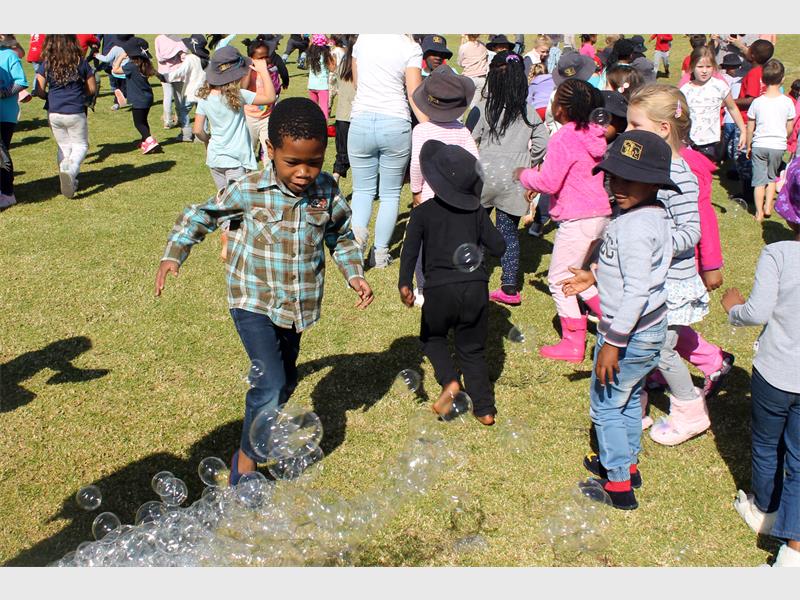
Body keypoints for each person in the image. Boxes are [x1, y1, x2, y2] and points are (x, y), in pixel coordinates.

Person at [155, 97, 374, 485]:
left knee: (284, 382)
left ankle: (255, 432)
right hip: (252, 299)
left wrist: (353, 273)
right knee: (270, 383)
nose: (304, 172)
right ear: (270, 149)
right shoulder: (249, 189)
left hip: (297, 307)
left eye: (314, 162)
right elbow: (201, 215)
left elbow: (340, 236)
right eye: (293, 162)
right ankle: (246, 463)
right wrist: (174, 253)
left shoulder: (327, 191)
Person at [562, 130, 677, 509]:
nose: (618, 186)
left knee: (607, 405)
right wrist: (593, 276)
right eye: (614, 177)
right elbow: (631, 269)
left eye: (631, 179)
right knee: (626, 400)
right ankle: (628, 465)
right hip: (649, 331)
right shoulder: (651, 215)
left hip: (628, 334)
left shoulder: (634, 228)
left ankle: (617, 485)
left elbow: (637, 292)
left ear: (655, 183)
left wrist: (612, 343)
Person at [626, 84, 711, 446]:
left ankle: (691, 413)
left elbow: (691, 231)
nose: (628, 131)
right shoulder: (652, 167)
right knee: (639, 342)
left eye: (635, 125)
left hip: (671, 281)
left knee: (660, 347)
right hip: (650, 277)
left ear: (663, 129)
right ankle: (636, 407)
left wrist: (652, 244)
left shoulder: (680, 176)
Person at [398, 140, 505, 425]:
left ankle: (450, 381)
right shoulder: (476, 212)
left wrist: (404, 283)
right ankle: (484, 409)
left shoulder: (422, 212)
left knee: (432, 338)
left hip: (439, 290)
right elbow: (500, 247)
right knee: (472, 350)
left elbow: (409, 251)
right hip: (476, 288)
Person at [723, 173, 800, 567]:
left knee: (767, 445)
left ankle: (764, 511)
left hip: (774, 372)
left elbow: (757, 312)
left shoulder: (779, 253)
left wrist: (733, 309)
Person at [515, 78, 609, 361]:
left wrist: (524, 175)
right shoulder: (593, 134)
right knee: (579, 275)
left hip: (578, 218)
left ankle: (573, 341)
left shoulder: (563, 137)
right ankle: (615, 321)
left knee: (559, 280)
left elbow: (549, 182)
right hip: (599, 215)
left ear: (561, 109)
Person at [472, 52, 549, 306]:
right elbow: (542, 141)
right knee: (509, 233)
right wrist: (532, 161)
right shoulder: (527, 110)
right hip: (516, 178)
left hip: (484, 175)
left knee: (477, 229)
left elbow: (470, 138)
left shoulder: (483, 107)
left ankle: (475, 277)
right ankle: (509, 286)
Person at [347, 34, 426, 269]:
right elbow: (413, 93)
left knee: (362, 190)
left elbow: (356, 83)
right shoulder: (410, 47)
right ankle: (380, 254)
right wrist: (428, 126)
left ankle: (357, 242)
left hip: (361, 119)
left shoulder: (363, 39)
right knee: (390, 194)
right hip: (395, 122)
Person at [409, 65, 478, 306]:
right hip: (458, 202)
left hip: (430, 199)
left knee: (423, 246)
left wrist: (416, 190)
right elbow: (475, 163)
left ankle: (423, 289)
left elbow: (416, 165)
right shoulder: (463, 132)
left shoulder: (421, 131)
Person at [193, 45, 276, 192]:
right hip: (236, 160)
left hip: (215, 159)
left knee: (223, 199)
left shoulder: (204, 98)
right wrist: (263, 71)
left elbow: (197, 130)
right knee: (238, 201)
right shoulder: (239, 95)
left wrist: (207, 140)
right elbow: (270, 97)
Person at [34, 34, 96, 199]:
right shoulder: (80, 62)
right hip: (75, 110)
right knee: (80, 145)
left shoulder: (47, 63)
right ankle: (71, 170)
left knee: (63, 146)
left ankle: (69, 178)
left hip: (54, 111)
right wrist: (80, 95)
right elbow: (92, 88)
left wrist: (50, 97)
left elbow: (39, 90)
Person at [746, 59, 796, 221]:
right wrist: (784, 138)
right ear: (782, 79)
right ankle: (768, 206)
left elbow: (750, 127)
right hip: (778, 145)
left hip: (759, 144)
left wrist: (749, 145)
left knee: (759, 181)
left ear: (762, 79)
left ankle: (758, 212)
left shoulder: (757, 102)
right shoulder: (787, 102)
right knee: (772, 176)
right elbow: (790, 126)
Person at [680, 47, 746, 164]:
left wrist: (743, 131)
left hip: (711, 141)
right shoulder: (685, 90)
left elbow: (732, 108)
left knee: (706, 172)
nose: (704, 71)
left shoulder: (720, 86)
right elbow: (679, 115)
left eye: (708, 67)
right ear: (692, 67)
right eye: (700, 67)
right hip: (689, 141)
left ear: (714, 67)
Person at [734, 39, 775, 205]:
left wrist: (730, 102)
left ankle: (748, 194)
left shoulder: (753, 74)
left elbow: (751, 99)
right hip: (762, 120)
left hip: (747, 121)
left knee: (743, 156)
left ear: (753, 55)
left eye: (749, 49)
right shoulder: (766, 71)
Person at [112, 37, 159, 154]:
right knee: (143, 121)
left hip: (138, 99)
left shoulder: (131, 66)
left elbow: (115, 70)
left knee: (138, 123)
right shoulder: (145, 64)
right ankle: (144, 141)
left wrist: (121, 57)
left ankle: (150, 141)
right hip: (148, 97)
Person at [240, 36, 281, 162]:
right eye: (260, 58)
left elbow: (275, 91)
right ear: (252, 58)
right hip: (250, 117)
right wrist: (249, 68)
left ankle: (269, 172)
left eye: (266, 57)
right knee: (249, 150)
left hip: (267, 117)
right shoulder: (248, 72)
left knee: (270, 151)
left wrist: (264, 72)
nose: (264, 61)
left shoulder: (271, 71)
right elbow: (243, 88)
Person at [0, 36, 29, 208]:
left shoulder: (9, 55)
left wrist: (2, 93)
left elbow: (21, 82)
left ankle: (7, 193)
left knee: (2, 153)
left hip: (6, 114)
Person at [332, 35, 357, 184]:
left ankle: (335, 179)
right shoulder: (361, 66)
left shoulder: (342, 64)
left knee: (342, 154)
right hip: (357, 116)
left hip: (342, 115)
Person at [154, 35, 188, 132]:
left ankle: (167, 121)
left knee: (167, 96)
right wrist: (177, 53)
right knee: (179, 97)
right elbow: (184, 57)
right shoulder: (180, 39)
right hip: (178, 72)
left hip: (164, 73)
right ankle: (181, 119)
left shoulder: (159, 39)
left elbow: (159, 58)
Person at [306, 34, 335, 122]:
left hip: (311, 85)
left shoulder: (310, 54)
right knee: (323, 109)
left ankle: (312, 125)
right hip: (322, 86)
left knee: (312, 109)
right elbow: (332, 68)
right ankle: (324, 126)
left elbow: (310, 45)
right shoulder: (326, 54)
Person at [457, 34, 489, 110]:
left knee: (461, 105)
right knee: (474, 107)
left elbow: (460, 63)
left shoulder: (464, 47)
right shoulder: (483, 46)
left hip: (468, 78)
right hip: (482, 78)